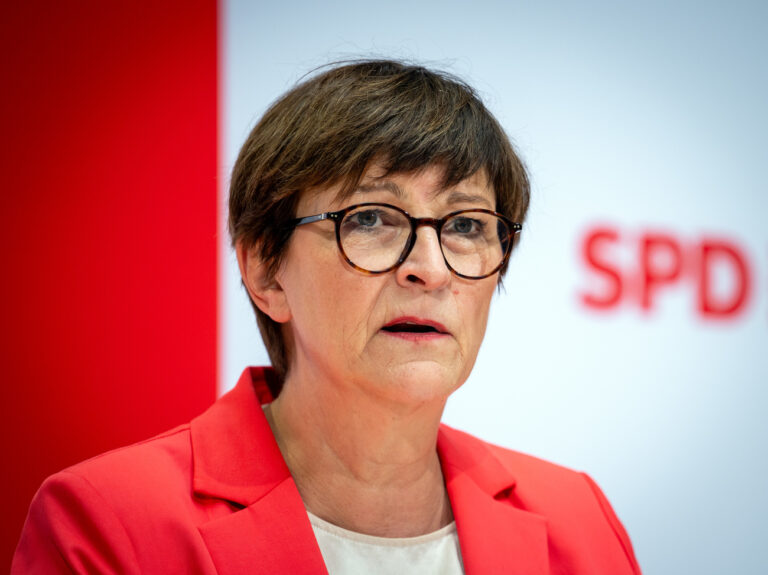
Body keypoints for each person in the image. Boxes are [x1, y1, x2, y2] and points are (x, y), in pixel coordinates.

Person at [13, 59, 642, 574]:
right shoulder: (110, 521)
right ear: (265, 270)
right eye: (369, 218)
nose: (430, 267)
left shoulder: (577, 520)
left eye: (467, 225)